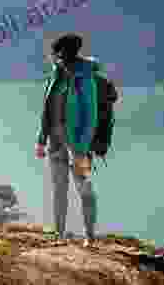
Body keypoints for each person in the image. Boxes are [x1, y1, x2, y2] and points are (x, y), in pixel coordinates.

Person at [35, 33, 108, 247]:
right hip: (56, 143)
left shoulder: (85, 78)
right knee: (59, 189)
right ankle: (59, 235)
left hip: (78, 146)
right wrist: (41, 140)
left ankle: (90, 237)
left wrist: (81, 148)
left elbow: (91, 115)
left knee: (84, 188)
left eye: (58, 53)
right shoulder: (56, 76)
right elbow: (47, 109)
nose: (55, 57)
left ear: (69, 53)